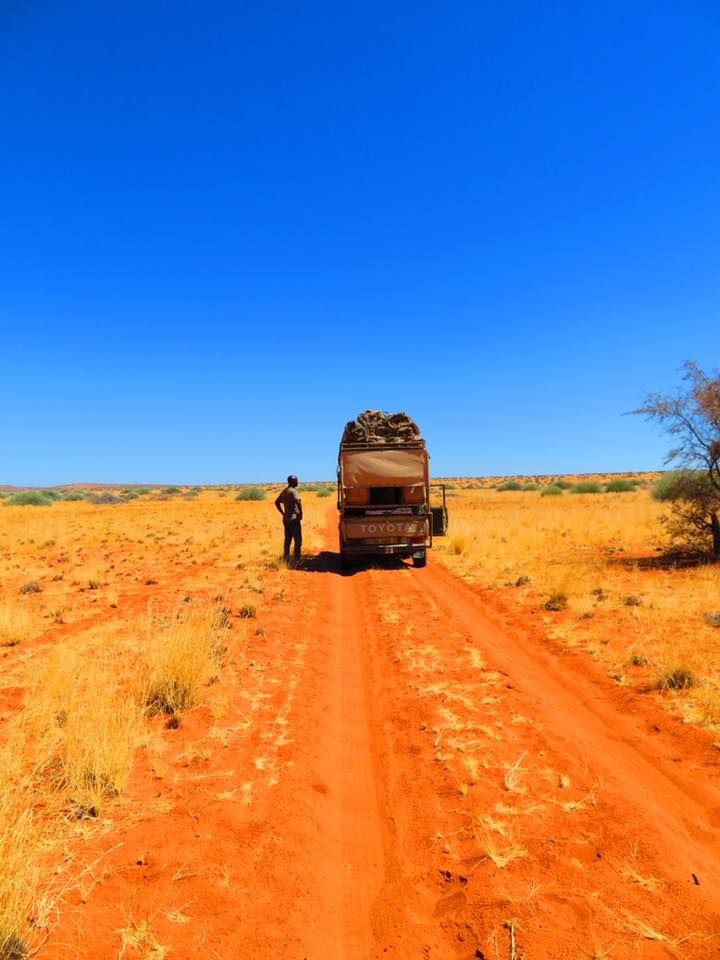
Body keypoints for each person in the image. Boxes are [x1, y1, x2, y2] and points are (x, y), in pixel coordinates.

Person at [274, 474, 302, 562]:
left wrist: (283, 513)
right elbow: (298, 502)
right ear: (292, 482)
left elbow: (276, 502)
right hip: (294, 519)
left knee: (288, 539)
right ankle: (296, 558)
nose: (297, 482)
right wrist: (301, 513)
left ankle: (286, 557)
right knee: (298, 539)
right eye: (296, 481)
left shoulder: (285, 491)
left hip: (286, 519)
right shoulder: (293, 491)